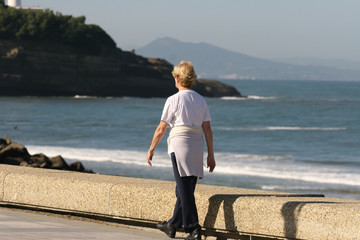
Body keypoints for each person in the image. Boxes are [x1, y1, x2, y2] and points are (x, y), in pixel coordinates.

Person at [146, 61, 216, 240]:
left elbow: (161, 128)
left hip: (180, 145)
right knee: (184, 188)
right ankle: (173, 224)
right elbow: (207, 129)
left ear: (177, 79)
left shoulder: (173, 100)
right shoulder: (201, 99)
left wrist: (151, 148)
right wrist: (211, 154)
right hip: (197, 145)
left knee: (184, 189)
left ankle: (193, 229)